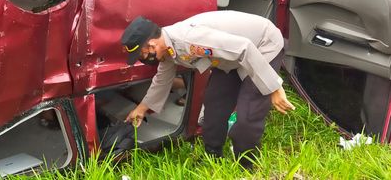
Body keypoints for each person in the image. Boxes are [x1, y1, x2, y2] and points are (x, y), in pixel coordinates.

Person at [121, 11, 295, 168]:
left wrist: (273, 87)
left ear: (151, 45)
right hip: (230, 58)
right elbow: (162, 79)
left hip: (261, 46)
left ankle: (246, 164)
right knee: (214, 107)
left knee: (248, 114)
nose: (144, 60)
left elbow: (245, 48)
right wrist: (142, 109)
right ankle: (213, 158)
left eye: (141, 55)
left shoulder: (189, 40)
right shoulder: (167, 48)